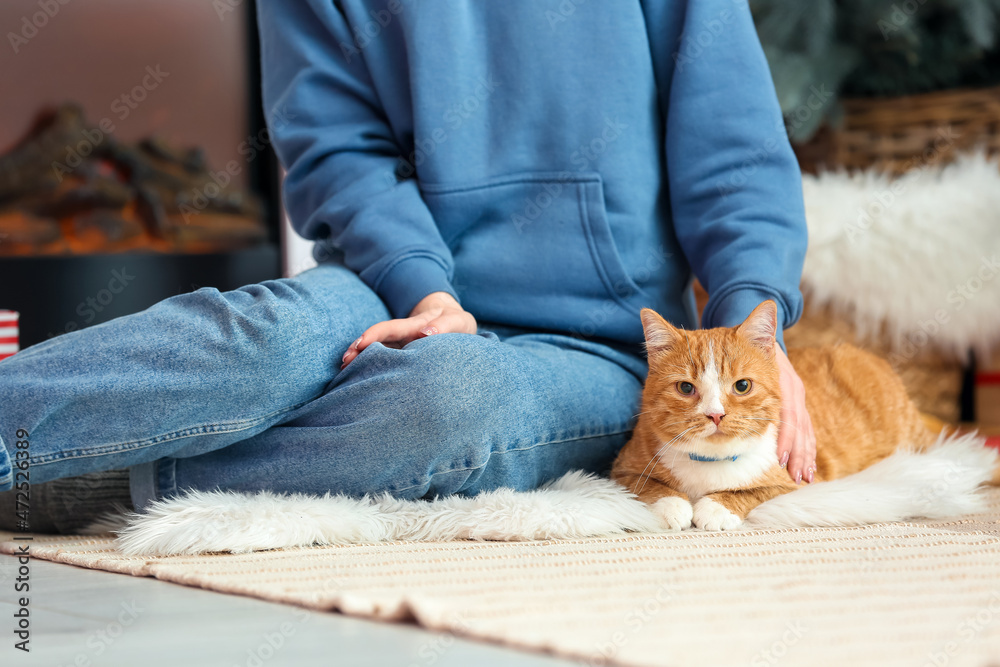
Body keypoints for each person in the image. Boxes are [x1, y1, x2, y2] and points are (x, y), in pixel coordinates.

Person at [0, 0, 816, 533]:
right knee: (267, 339)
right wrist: (427, 290)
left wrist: (757, 320)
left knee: (447, 399)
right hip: (391, 280)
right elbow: (337, 152)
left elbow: (734, 156)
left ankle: (74, 481)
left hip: (599, 342)